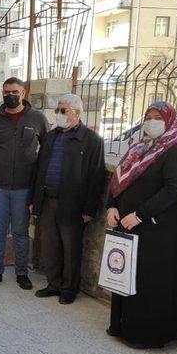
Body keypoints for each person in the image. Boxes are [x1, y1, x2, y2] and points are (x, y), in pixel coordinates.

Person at [106, 101, 177, 349]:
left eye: (157, 117)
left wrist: (140, 214)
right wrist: (112, 205)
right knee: (126, 276)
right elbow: (118, 180)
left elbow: (173, 190)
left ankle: (146, 335)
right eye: (148, 116)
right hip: (128, 224)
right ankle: (122, 325)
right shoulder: (137, 147)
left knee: (150, 280)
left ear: (169, 121)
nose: (151, 121)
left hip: (158, 227)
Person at [31, 93, 105, 304]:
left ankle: (69, 289)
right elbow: (39, 169)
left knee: (71, 248)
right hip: (47, 201)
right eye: (57, 110)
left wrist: (89, 209)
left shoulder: (91, 141)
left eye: (63, 110)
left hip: (72, 204)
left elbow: (96, 176)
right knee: (49, 246)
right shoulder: (51, 136)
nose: (59, 114)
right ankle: (53, 284)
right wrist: (34, 200)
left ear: (77, 113)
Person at [0, 76, 49, 290]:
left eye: (15, 92)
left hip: (24, 188)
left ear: (23, 93)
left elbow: (46, 154)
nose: (10, 96)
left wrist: (38, 191)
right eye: (6, 92)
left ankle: (21, 273)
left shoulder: (38, 119)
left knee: (20, 231)